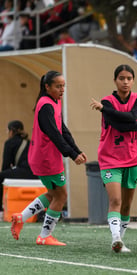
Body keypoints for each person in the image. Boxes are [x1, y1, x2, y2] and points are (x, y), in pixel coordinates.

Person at [10, 70, 87, 246]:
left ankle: (21, 218)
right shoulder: (45, 105)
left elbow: (63, 130)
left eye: (63, 86)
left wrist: (76, 150)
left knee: (54, 194)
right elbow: (54, 134)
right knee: (61, 196)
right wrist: (72, 154)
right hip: (45, 159)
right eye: (58, 86)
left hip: (48, 158)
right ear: (47, 87)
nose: (62, 89)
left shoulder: (54, 102)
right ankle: (44, 236)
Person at [90, 64, 137, 253]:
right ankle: (115, 238)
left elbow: (131, 117)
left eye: (129, 78)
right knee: (115, 200)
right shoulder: (108, 100)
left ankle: (121, 240)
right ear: (115, 81)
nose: (126, 82)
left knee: (127, 203)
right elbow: (123, 126)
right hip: (110, 157)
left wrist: (104, 110)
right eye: (122, 78)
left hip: (132, 156)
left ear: (133, 81)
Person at [0, 120, 37, 213]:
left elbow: (6, 166)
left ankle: (1, 210)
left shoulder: (9, 143)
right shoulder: (29, 142)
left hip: (23, 172)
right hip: (36, 174)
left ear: (11, 131)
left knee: (1, 176)